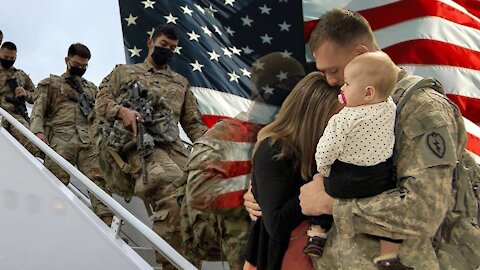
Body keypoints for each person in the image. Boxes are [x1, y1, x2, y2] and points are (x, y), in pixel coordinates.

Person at [246, 8, 475, 270]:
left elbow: (424, 211)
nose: (330, 81)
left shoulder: (420, 109)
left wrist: (331, 205)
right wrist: (264, 195)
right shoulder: (351, 104)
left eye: (334, 70)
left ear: (361, 56)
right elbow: (317, 166)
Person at [95, 25, 207, 269]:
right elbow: (101, 102)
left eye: (172, 48)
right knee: (171, 186)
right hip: (137, 143)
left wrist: (210, 148)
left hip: (175, 148)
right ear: (150, 42)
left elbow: (193, 123)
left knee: (198, 195)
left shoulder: (180, 82)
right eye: (163, 44)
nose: (167, 50)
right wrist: (121, 111)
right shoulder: (123, 73)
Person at [182, 52, 305, 269]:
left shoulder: (296, 134)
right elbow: (198, 192)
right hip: (233, 225)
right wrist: (253, 191)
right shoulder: (228, 133)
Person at [304, 52, 410, 268]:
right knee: (387, 215)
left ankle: (317, 233)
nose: (342, 89)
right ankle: (389, 255)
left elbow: (326, 149)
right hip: (379, 179)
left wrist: (322, 170)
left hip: (345, 178)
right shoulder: (390, 107)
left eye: (347, 84)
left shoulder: (342, 118)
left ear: (368, 93)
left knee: (321, 190)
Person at [244, 72, 341, 270]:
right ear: (318, 117)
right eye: (339, 117)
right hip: (285, 258)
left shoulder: (332, 149)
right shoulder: (275, 150)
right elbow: (276, 225)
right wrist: (313, 193)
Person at [30, 43, 113, 225]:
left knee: (100, 182)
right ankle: (51, 224)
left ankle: (107, 226)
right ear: (67, 60)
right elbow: (38, 110)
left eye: (84, 66)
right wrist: (37, 132)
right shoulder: (50, 83)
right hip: (60, 138)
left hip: (88, 140)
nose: (80, 68)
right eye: (77, 64)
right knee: (55, 181)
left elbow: (100, 115)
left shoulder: (91, 89)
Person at [0, 41, 38, 155]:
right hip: (2, 113)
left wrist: (25, 93)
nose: (9, 60)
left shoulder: (20, 75)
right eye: (5, 57)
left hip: (16, 116)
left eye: (12, 58)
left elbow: (36, 96)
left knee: (32, 144)